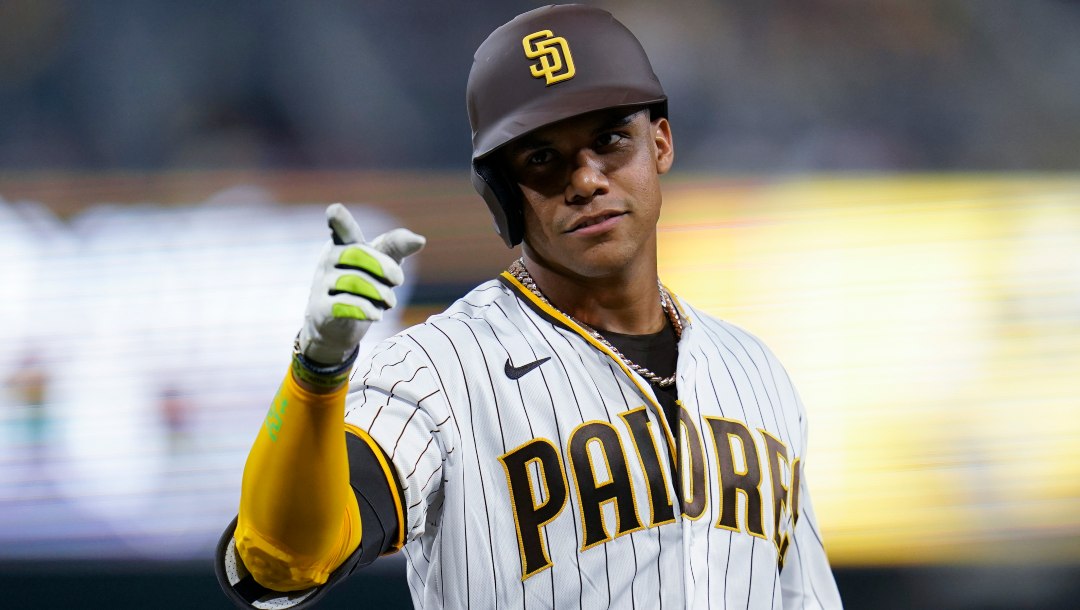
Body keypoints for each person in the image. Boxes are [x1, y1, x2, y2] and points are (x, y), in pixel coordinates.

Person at [216, 4, 843, 609]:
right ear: (502, 195)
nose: (587, 179)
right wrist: (319, 369)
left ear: (661, 144)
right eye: (543, 158)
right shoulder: (440, 371)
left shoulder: (754, 371)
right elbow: (279, 562)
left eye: (611, 140)